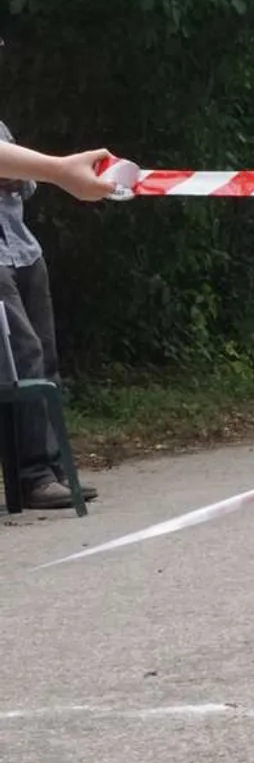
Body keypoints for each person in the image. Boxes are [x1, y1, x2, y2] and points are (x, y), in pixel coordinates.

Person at [0, 124, 113, 511]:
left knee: (45, 358)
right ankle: (35, 478)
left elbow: (28, 182)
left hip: (24, 250)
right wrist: (46, 170)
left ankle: (53, 468)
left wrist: (21, 175)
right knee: (23, 356)